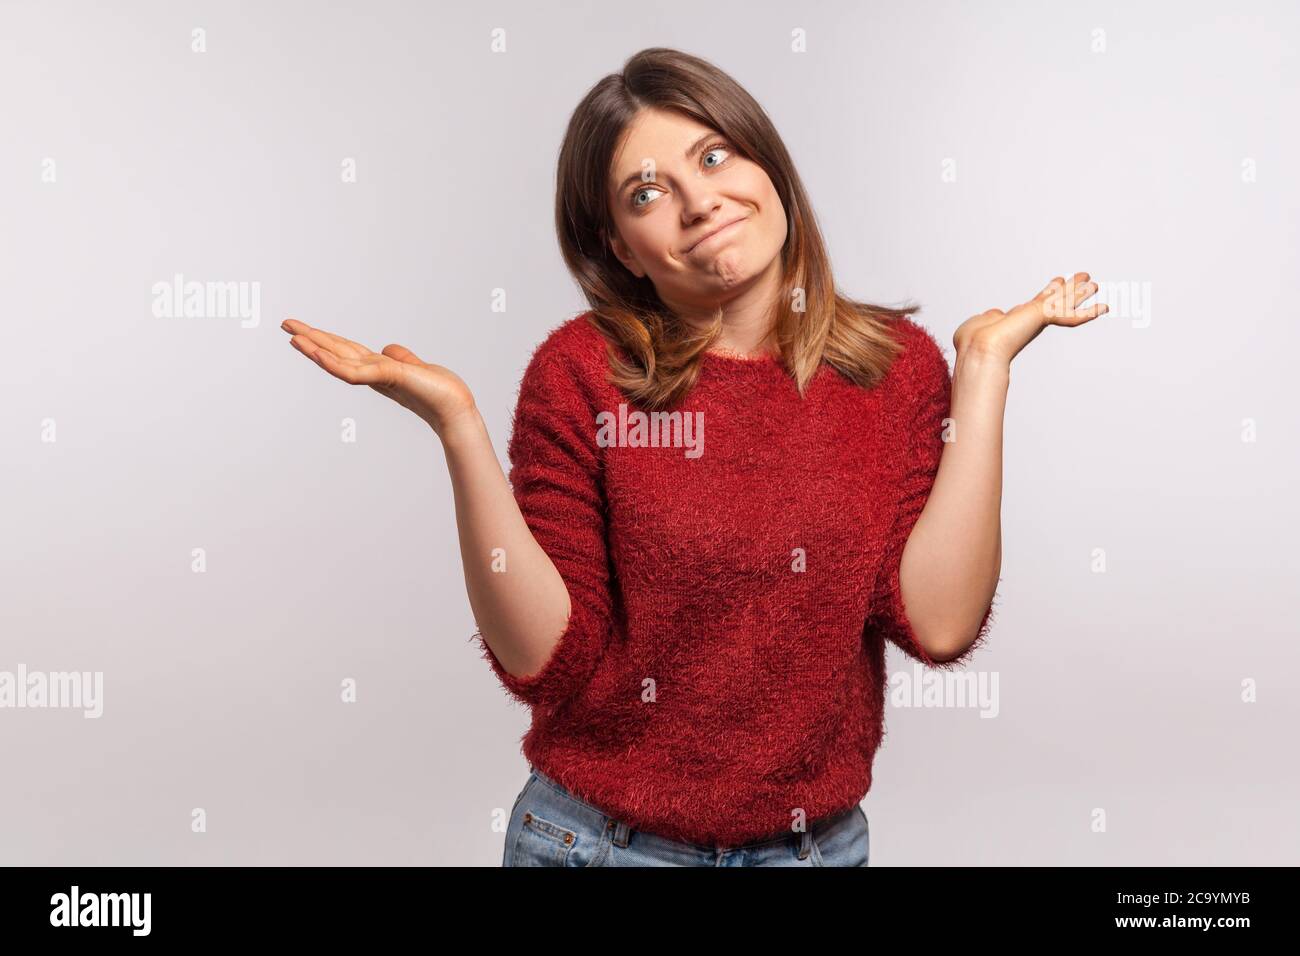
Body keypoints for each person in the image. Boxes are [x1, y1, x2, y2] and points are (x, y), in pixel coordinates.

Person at [280, 48, 1107, 866]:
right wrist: (457, 425)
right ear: (621, 248)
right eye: (648, 192)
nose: (699, 200)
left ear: (767, 165)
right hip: (601, 848)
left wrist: (985, 373)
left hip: (812, 852)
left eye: (714, 156)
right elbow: (543, 657)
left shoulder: (896, 369)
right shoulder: (581, 376)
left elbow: (938, 621)